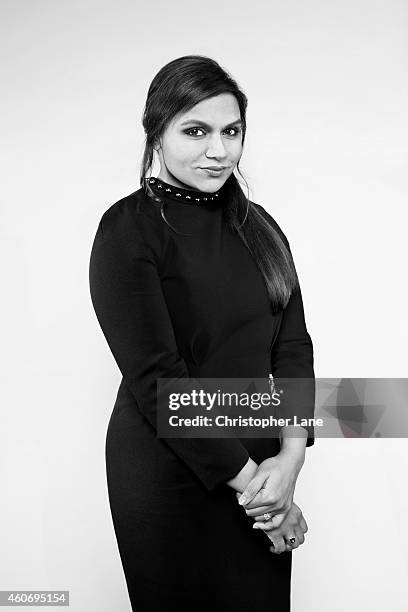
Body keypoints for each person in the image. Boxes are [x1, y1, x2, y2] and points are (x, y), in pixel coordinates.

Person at [89, 54, 315, 612]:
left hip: (264, 463)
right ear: (156, 133)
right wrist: (264, 496)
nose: (218, 151)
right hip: (170, 470)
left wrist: (289, 461)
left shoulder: (260, 226)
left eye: (231, 132)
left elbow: (292, 350)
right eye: (196, 131)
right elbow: (158, 381)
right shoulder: (128, 229)